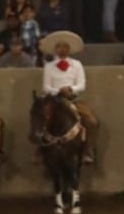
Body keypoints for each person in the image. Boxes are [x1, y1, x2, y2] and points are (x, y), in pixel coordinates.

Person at [40, 31, 99, 163]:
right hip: (54, 100)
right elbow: (46, 87)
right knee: (40, 119)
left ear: (69, 49)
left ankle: (88, 150)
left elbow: (82, 84)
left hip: (72, 99)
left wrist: (70, 89)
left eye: (65, 46)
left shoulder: (77, 64)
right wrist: (58, 91)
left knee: (91, 121)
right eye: (59, 46)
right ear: (55, 49)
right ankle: (39, 151)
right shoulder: (49, 66)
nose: (62, 49)